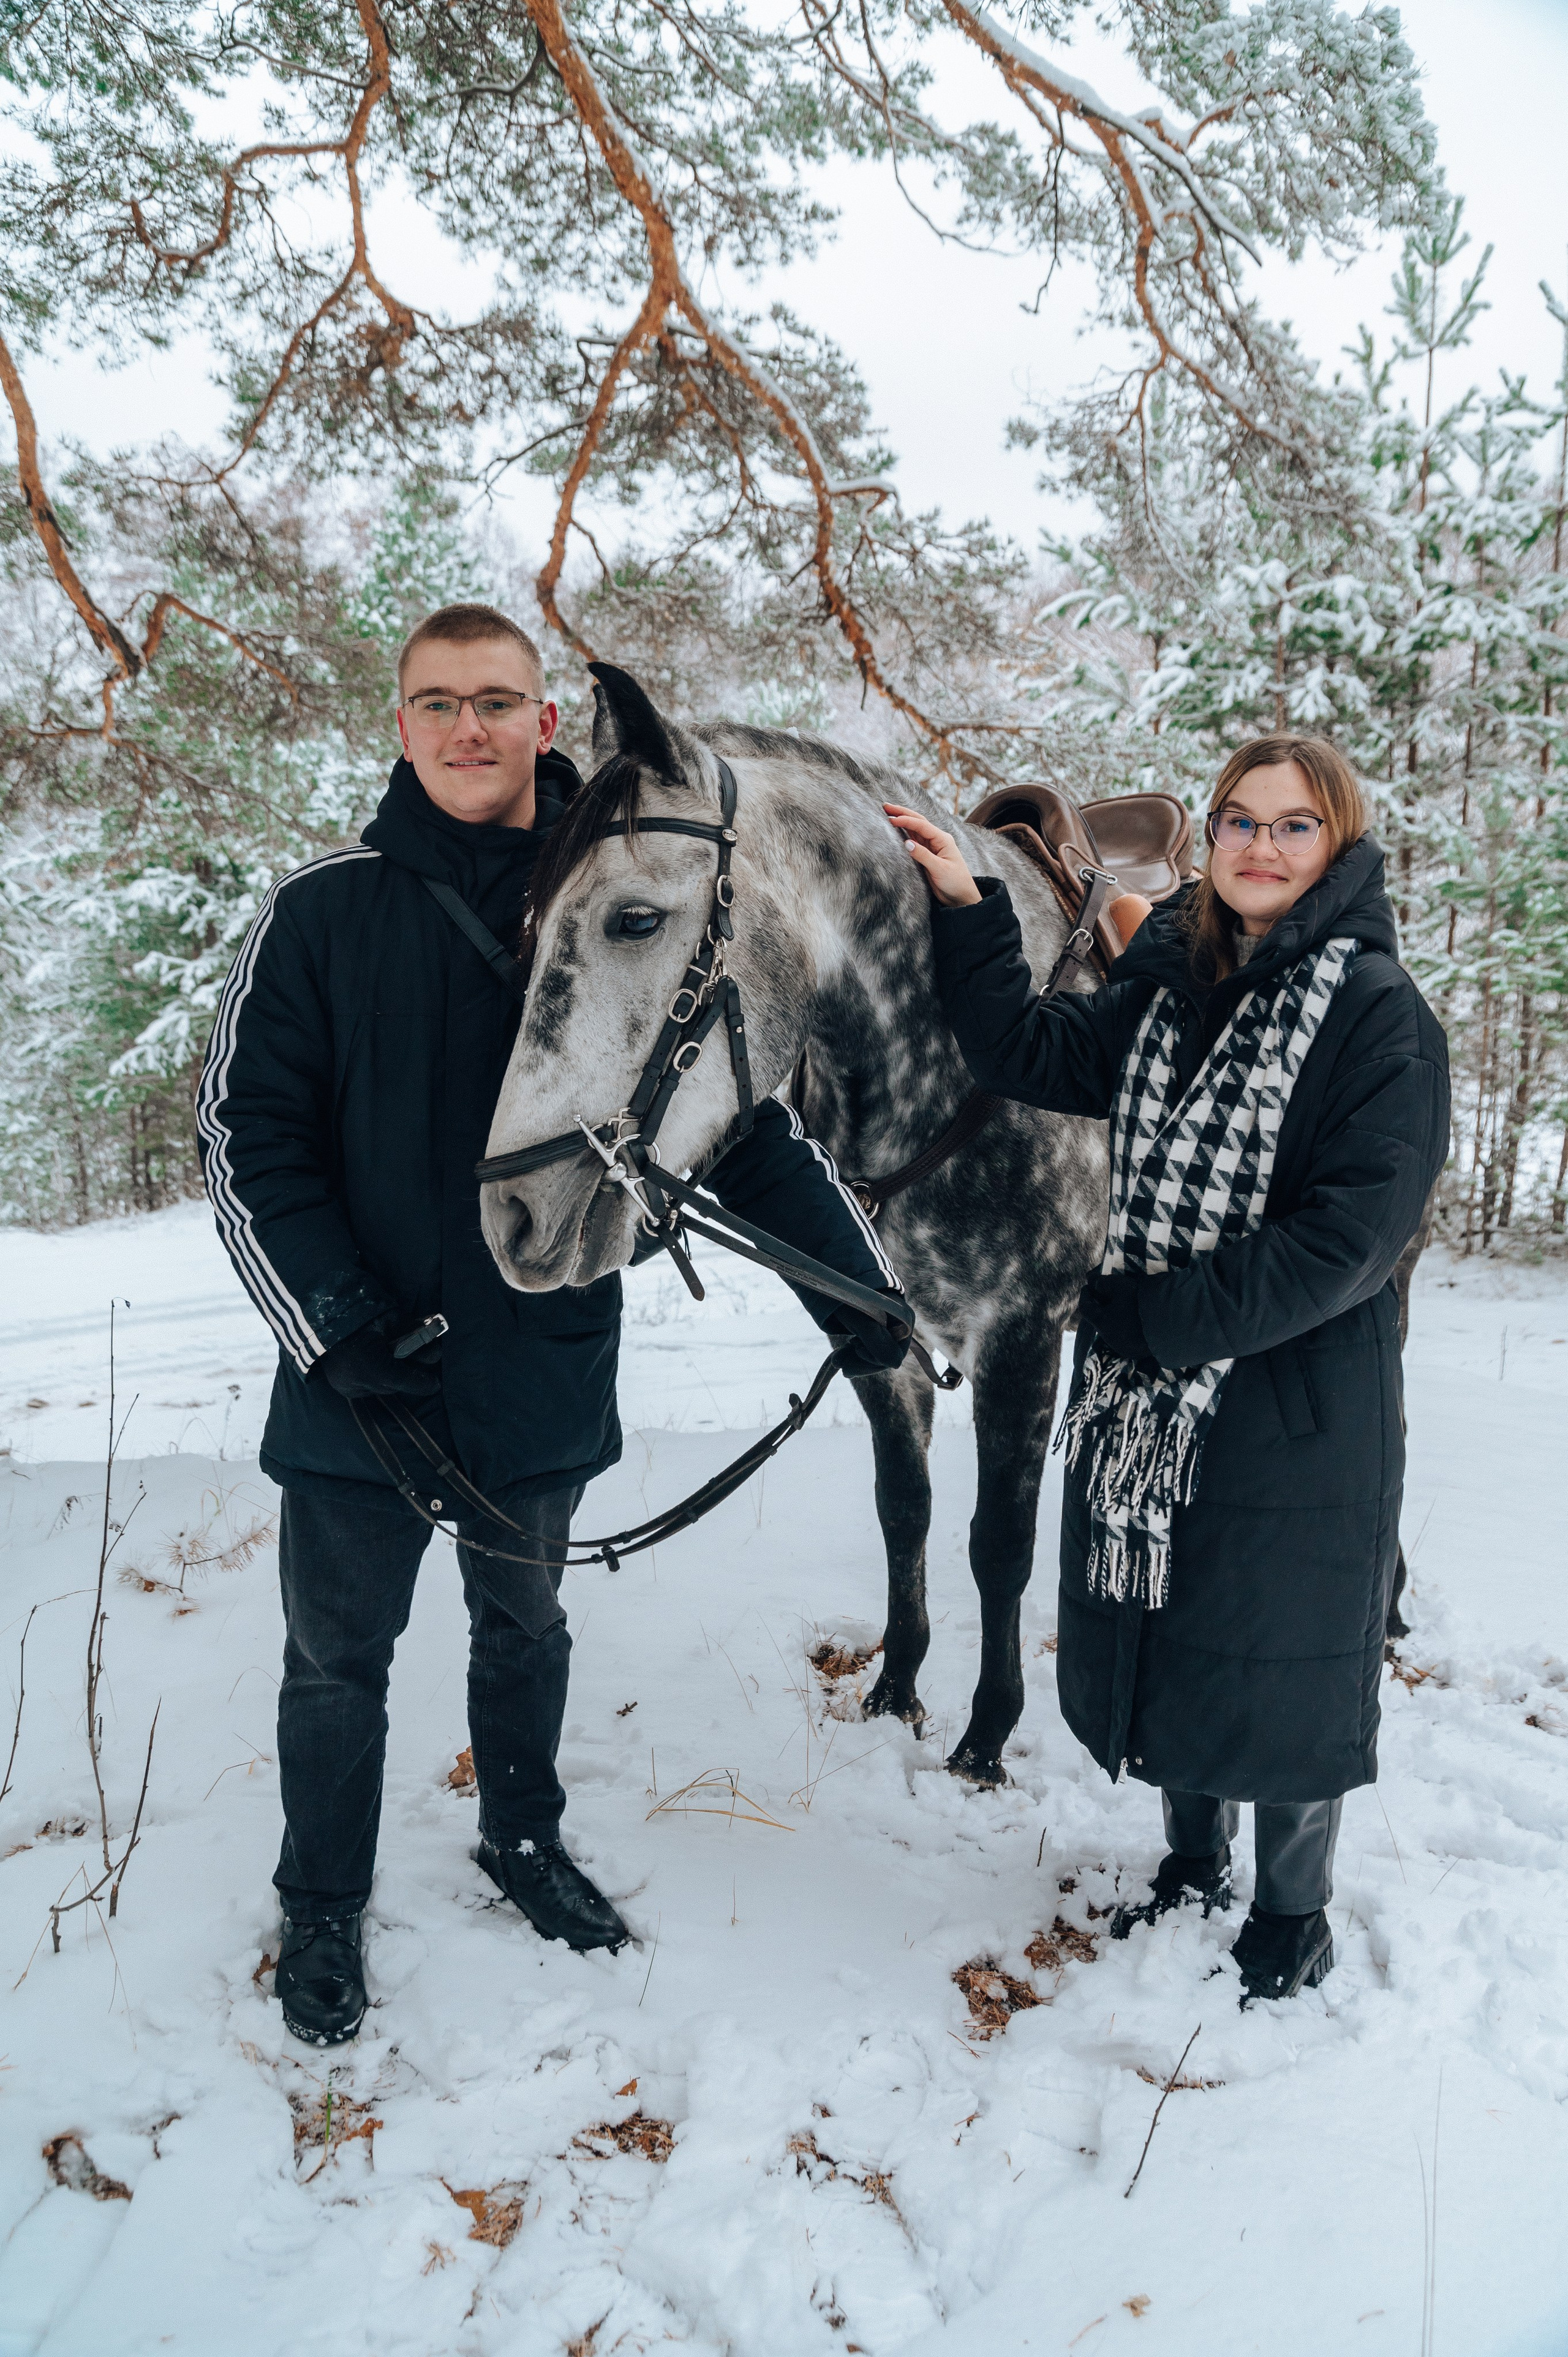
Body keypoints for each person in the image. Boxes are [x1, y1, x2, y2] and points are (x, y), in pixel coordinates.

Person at [199, 602, 907, 2045]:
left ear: (542, 722)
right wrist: (332, 1322)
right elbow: (243, 1135)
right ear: (402, 724)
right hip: (361, 1378)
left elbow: (733, 1115)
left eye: (496, 702)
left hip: (541, 1359)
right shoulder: (322, 910)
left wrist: (849, 1285)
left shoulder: (629, 889)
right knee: (335, 1659)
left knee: (522, 1625)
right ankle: (322, 1901)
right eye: (439, 702)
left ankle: (520, 1835)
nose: (468, 728)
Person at [885, 737, 1449, 2003]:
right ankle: (1192, 1862)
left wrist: (1153, 1321)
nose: (1260, 847)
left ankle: (1291, 1916)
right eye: (1239, 820)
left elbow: (1349, 1239)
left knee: (1283, 1659)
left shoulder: (1376, 1015)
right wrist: (969, 910)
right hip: (1160, 1397)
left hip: (1296, 1400)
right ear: (1210, 836)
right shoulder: (1169, 991)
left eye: (1293, 826)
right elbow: (1022, 1053)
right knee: (1178, 1627)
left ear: (1337, 846)